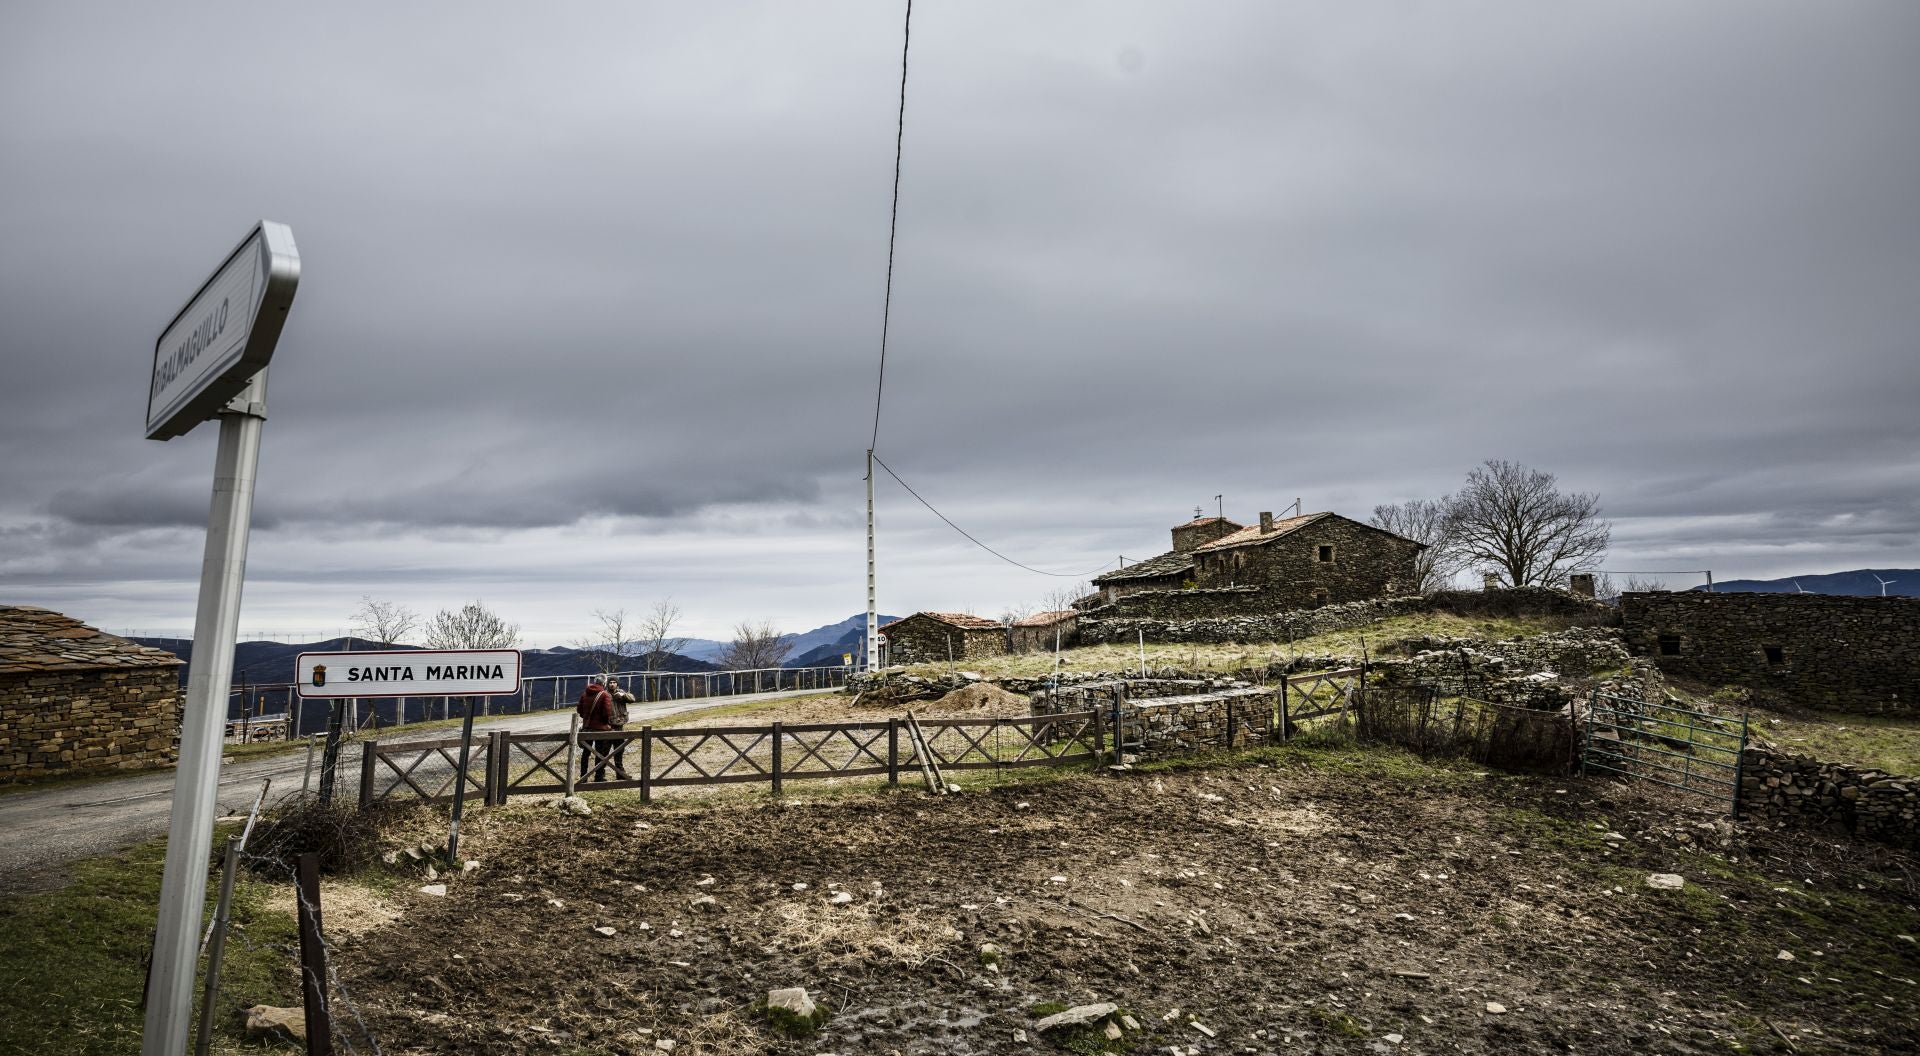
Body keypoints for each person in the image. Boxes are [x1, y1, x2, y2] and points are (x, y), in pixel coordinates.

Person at [576, 677, 614, 782]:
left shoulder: (585, 694)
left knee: (586, 753)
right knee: (600, 753)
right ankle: (598, 776)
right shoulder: (604, 694)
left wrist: (587, 718)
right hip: (600, 729)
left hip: (587, 728)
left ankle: (583, 777)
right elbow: (607, 713)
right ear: (604, 683)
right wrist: (606, 722)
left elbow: (579, 710)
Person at [606, 678, 636, 779]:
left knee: (619, 751)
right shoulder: (605, 694)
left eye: (614, 683)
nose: (612, 684)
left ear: (617, 684)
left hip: (619, 726)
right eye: (610, 682)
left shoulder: (621, 693)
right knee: (604, 752)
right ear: (607, 684)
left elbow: (632, 699)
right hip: (608, 727)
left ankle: (620, 774)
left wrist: (623, 695)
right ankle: (599, 775)